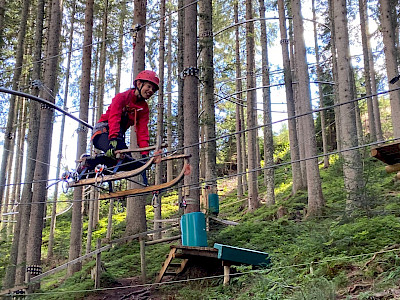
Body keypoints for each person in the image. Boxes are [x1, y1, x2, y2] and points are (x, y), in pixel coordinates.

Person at [91, 70, 159, 160]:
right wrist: (113, 138)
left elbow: (142, 130)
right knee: (118, 155)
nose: (151, 91)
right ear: (139, 84)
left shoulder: (143, 108)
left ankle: (102, 169)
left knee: (129, 162)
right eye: (149, 86)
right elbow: (114, 117)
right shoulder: (122, 97)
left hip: (118, 137)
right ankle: (89, 164)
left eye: (153, 90)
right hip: (102, 132)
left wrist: (144, 153)